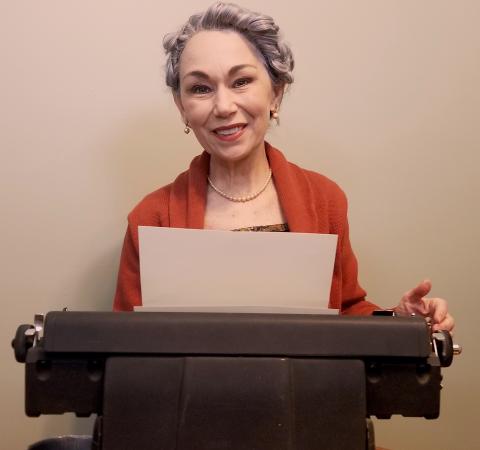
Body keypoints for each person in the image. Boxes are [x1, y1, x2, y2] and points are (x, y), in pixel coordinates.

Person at [113, 2, 454, 332]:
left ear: (275, 93)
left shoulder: (325, 200)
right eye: (200, 88)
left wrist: (400, 322)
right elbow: (127, 344)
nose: (223, 106)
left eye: (241, 81)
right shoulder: (149, 218)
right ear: (182, 107)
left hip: (304, 391)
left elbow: (346, 311)